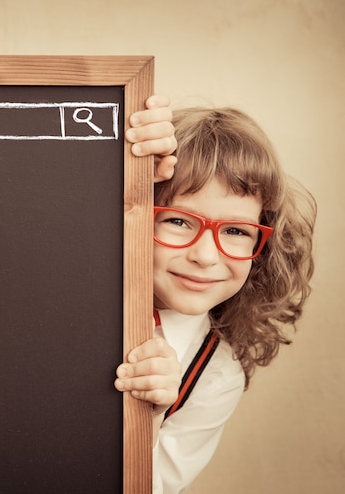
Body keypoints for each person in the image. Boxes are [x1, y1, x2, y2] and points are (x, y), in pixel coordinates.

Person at [120, 97, 316, 493]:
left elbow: (155, 486)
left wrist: (147, 422)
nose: (205, 256)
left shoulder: (214, 375)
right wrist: (115, 153)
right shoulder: (71, 280)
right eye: (178, 220)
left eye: (236, 231)